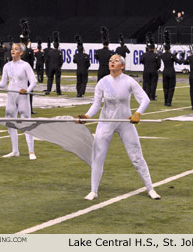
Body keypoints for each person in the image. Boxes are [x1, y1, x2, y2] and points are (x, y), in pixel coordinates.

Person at [78, 54, 161, 200]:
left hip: (125, 123)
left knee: (137, 157)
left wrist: (137, 114)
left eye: (116, 61)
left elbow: (145, 99)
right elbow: (96, 104)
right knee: (98, 157)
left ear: (122, 65)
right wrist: (87, 116)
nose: (112, 62)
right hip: (105, 123)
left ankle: (150, 188)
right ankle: (93, 191)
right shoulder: (103, 82)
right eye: (110, 60)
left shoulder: (129, 81)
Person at [0, 43, 37, 159]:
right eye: (12, 49)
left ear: (21, 52)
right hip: (11, 96)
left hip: (22, 97)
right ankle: (15, 150)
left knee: (26, 122)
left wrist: (27, 90)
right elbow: (4, 83)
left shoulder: (25, 65)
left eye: (16, 49)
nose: (13, 51)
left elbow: (34, 81)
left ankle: (31, 151)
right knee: (10, 122)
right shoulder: (6, 66)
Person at [160, 30, 182, 106]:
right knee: (171, 87)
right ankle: (169, 102)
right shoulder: (172, 55)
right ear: (169, 48)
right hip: (171, 72)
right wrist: (179, 56)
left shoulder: (162, 55)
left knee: (165, 87)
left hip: (165, 71)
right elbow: (179, 62)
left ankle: (165, 101)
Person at [140, 32, 161, 100]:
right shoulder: (156, 55)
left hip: (146, 71)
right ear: (153, 48)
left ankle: (147, 96)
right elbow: (159, 65)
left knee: (147, 84)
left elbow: (141, 61)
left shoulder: (144, 54)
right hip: (154, 71)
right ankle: (152, 96)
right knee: (153, 84)